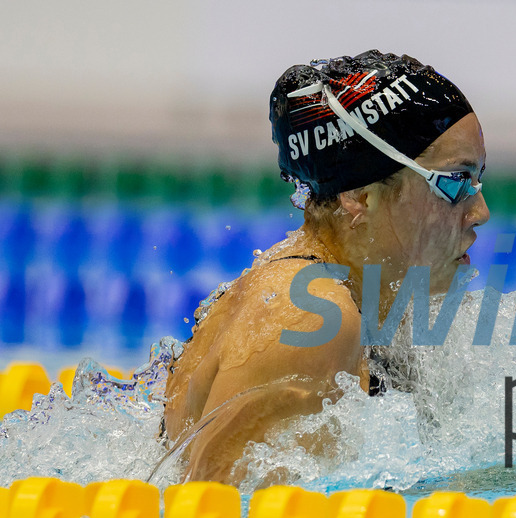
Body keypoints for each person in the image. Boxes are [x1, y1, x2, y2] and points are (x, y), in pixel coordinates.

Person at [162, 50, 490, 484]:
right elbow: (211, 517)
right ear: (360, 197)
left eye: (478, 179)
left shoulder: (379, 296)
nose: (480, 211)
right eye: (454, 183)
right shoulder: (308, 318)